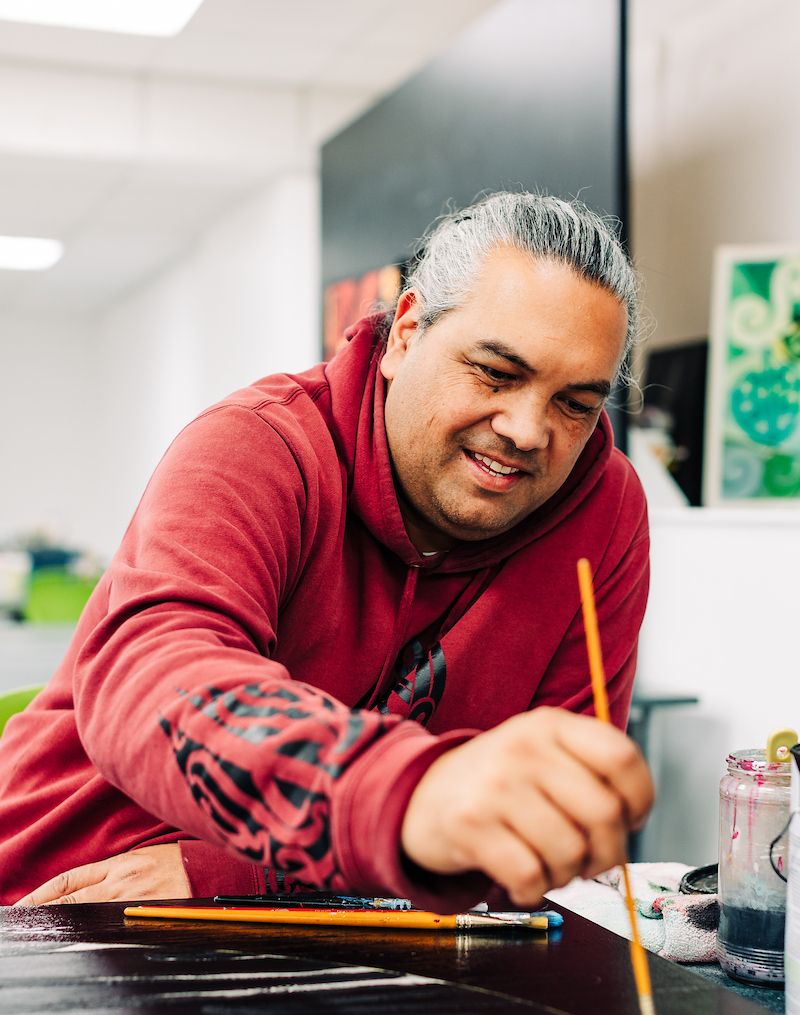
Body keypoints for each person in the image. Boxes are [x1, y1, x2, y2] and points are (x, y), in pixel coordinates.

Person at [0, 192, 653, 911]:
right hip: (64, 898)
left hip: (346, 928)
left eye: (576, 404)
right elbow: (155, 678)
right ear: (404, 334)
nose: (529, 430)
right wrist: (413, 799)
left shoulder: (605, 509)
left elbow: (550, 818)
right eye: (496, 373)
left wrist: (247, 877)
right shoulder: (256, 445)